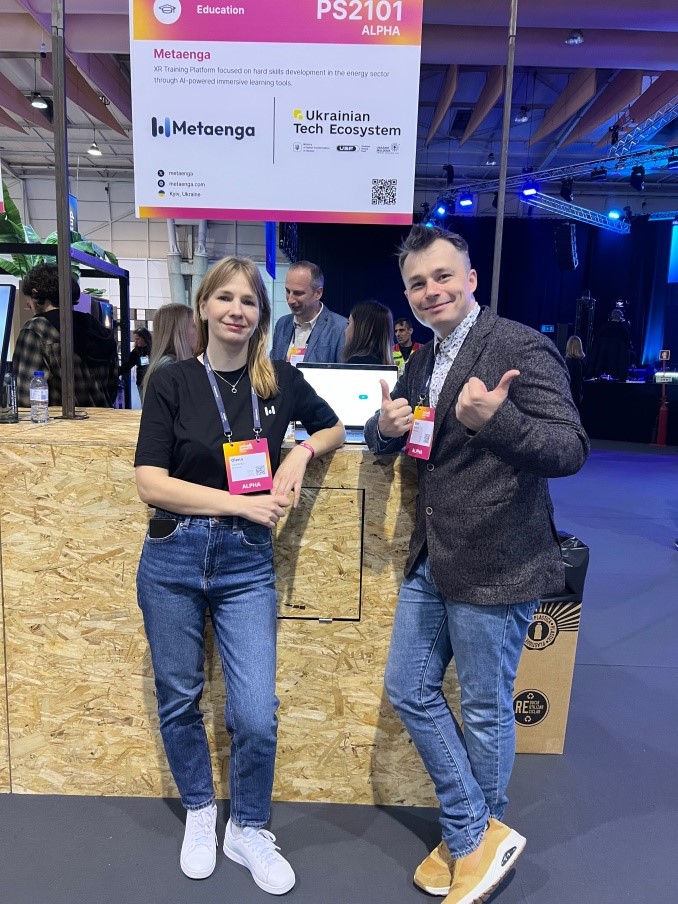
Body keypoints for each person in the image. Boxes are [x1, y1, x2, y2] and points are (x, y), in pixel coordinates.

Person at [364, 225, 588, 904]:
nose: (430, 291)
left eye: (442, 276)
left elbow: (570, 448)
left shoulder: (517, 346)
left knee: (486, 709)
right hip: (434, 556)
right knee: (409, 687)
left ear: (470, 279)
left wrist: (499, 421)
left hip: (498, 559)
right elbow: (399, 436)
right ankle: (474, 833)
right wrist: (383, 430)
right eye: (417, 283)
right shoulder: (423, 357)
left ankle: (470, 840)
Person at [134, 256, 345, 894]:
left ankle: (248, 826)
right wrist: (238, 502)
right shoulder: (171, 381)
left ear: (261, 314)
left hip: (246, 564)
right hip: (173, 555)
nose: (236, 310)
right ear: (203, 307)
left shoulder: (280, 379)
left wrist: (300, 453)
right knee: (179, 698)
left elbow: (334, 427)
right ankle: (201, 810)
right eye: (224, 298)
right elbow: (151, 483)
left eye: (248, 301)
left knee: (255, 712)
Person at [12, 262, 118, 407]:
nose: (29, 305)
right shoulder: (97, 327)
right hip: (102, 419)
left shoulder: (37, 329)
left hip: (60, 421)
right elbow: (112, 388)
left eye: (28, 300)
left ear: (35, 294)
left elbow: (26, 398)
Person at [270, 261, 347, 364]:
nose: (290, 300)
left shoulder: (340, 328)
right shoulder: (282, 324)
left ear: (318, 293)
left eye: (298, 293)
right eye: (288, 291)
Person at [142, 303, 197, 396]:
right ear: (179, 331)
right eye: (194, 326)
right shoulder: (169, 369)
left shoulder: (169, 366)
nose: (200, 331)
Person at [342, 299, 393, 365]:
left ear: (360, 329)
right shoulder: (382, 362)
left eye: (348, 323)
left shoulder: (356, 364)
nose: (345, 330)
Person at [586, 309, 632, 381]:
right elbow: (627, 346)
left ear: (611, 317)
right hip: (617, 363)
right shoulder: (623, 330)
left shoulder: (603, 328)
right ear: (620, 318)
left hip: (601, 362)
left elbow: (595, 345)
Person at [119, 327, 152, 401]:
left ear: (145, 339)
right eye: (135, 339)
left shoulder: (153, 349)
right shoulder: (135, 352)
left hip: (152, 381)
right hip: (141, 382)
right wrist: (116, 372)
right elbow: (128, 365)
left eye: (138, 339)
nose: (136, 341)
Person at [565, 335, 586, 411]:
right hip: (575, 395)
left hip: (570, 394)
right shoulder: (578, 363)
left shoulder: (568, 361)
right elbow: (579, 380)